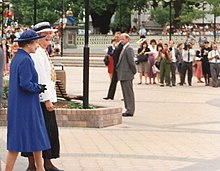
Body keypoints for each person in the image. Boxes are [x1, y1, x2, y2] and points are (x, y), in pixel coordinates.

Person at [5, 29, 50, 171]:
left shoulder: (18, 57)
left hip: (20, 104)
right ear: (28, 44)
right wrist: (38, 87)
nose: (37, 45)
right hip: (27, 105)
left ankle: (40, 168)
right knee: (21, 140)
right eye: (36, 42)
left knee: (34, 136)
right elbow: (25, 84)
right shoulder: (25, 59)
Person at [21, 22, 63, 171]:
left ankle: (41, 163)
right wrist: (46, 99)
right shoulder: (38, 53)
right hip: (40, 100)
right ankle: (41, 164)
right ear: (38, 37)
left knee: (44, 131)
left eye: (51, 34)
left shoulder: (42, 51)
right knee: (44, 131)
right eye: (46, 34)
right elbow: (40, 78)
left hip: (42, 98)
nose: (50, 37)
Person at [116, 33, 136, 117]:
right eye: (120, 39)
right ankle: (128, 108)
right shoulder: (124, 48)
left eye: (123, 39)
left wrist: (134, 71)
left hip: (127, 74)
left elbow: (131, 62)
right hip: (123, 74)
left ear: (127, 39)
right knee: (125, 93)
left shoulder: (129, 49)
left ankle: (130, 109)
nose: (121, 41)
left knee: (128, 93)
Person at [103, 32, 123, 100]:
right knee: (113, 81)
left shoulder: (121, 44)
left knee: (123, 82)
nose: (116, 38)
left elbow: (119, 52)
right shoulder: (116, 44)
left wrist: (115, 47)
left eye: (117, 37)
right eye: (115, 37)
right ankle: (110, 95)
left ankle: (125, 96)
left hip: (119, 65)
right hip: (115, 64)